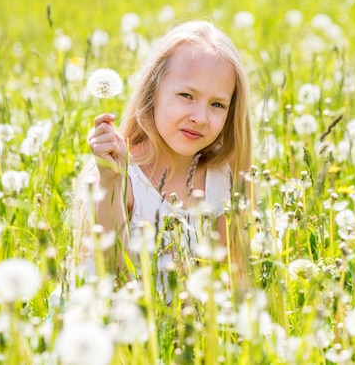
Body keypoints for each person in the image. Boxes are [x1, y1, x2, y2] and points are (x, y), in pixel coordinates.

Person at [73, 20, 252, 286]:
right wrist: (111, 183)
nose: (200, 118)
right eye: (187, 96)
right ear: (153, 90)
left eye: (217, 104)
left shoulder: (220, 180)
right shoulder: (117, 174)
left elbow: (226, 282)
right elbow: (113, 277)